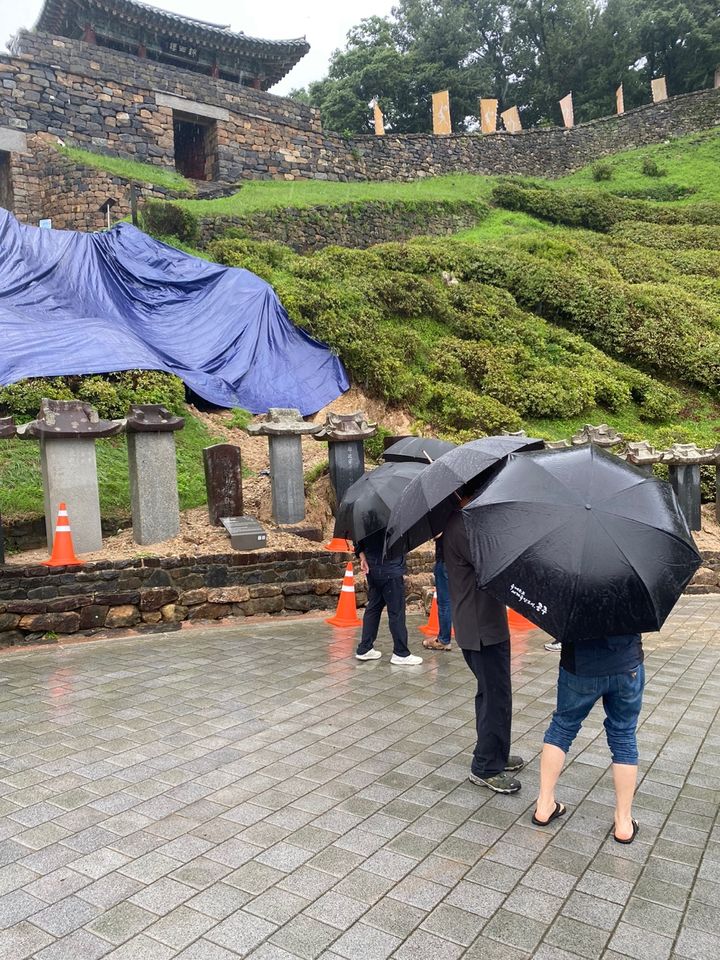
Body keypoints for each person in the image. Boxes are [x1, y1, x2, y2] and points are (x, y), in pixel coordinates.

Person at [443, 499, 524, 793]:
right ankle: (486, 766)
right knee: (494, 696)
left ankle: (496, 753)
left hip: (487, 624)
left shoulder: (468, 524)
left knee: (495, 693)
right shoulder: (463, 527)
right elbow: (496, 563)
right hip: (480, 628)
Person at [533, 633, 644, 843]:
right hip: (626, 663)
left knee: (562, 728)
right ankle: (623, 822)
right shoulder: (635, 599)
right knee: (624, 735)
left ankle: (544, 804)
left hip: (579, 664)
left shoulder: (572, 598)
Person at [354, 528, 423, 666]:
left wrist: (362, 558)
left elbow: (357, 540)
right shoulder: (393, 517)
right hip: (391, 570)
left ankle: (365, 648)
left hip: (372, 568)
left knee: (373, 607)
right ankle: (400, 652)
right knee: (396, 612)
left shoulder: (364, 517)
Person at [423, 534, 453, 652]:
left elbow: (438, 534)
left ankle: (444, 640)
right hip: (459, 561)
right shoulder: (465, 515)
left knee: (445, 602)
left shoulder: (441, 516)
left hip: (445, 560)